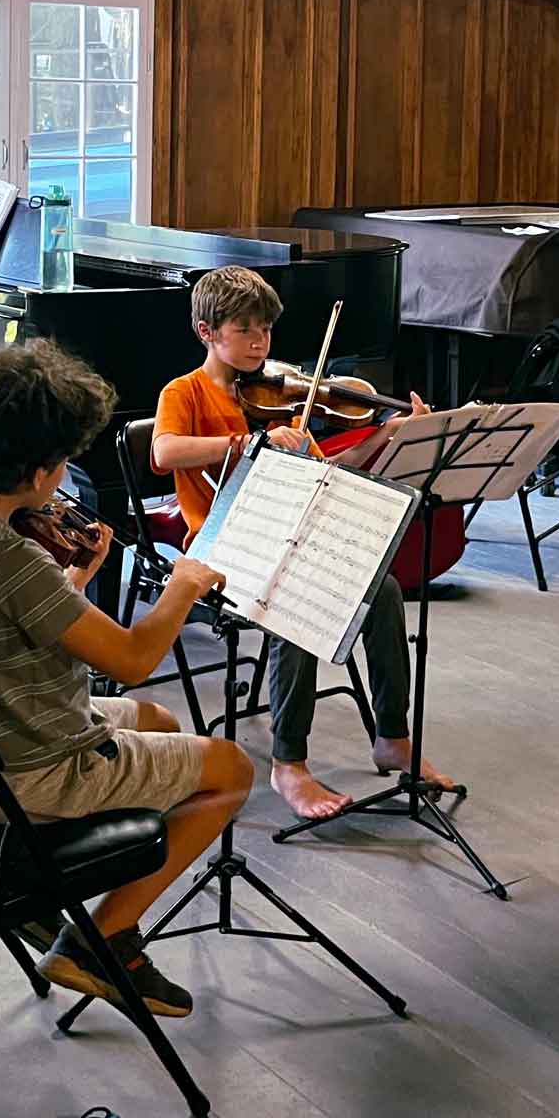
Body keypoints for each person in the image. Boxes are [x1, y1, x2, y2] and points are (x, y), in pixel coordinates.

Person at [0, 339, 253, 1019]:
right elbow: (130, 659)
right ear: (38, 471)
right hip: (37, 771)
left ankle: (80, 879)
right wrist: (182, 586)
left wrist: (76, 580)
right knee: (231, 769)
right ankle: (101, 935)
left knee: (156, 721)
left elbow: (27, 627)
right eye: (63, 460)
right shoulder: (14, 560)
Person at [153, 265, 453, 821]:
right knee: (295, 604)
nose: (260, 343)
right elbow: (165, 453)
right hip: (223, 549)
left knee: (382, 589)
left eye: (265, 330)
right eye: (244, 330)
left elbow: (326, 469)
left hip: (290, 537)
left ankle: (393, 735)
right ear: (206, 331)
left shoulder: (277, 399)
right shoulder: (185, 393)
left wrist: (387, 435)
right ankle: (288, 761)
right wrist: (246, 442)